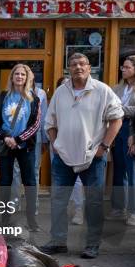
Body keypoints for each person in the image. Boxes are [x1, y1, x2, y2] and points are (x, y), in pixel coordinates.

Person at [41, 53, 123, 259]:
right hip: (63, 157)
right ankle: (58, 242)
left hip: (93, 157)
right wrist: (55, 144)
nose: (78, 67)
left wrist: (104, 146)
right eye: (73, 64)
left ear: (89, 67)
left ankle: (92, 245)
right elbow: (49, 123)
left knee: (94, 202)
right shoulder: (61, 92)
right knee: (58, 201)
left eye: (82, 64)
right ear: (68, 68)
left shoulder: (102, 90)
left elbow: (117, 119)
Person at [0, 64, 41, 230]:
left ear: (27, 78)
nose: (19, 77)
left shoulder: (34, 98)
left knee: (30, 182)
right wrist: (6, 138)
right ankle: (4, 220)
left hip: (25, 147)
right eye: (17, 74)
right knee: (5, 181)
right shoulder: (4, 96)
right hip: (6, 146)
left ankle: (32, 220)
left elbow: (35, 125)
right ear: (12, 77)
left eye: (23, 75)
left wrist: (18, 139)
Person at [109, 55, 135, 226]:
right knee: (119, 170)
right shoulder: (117, 88)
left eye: (127, 67)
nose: (123, 70)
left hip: (133, 132)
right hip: (117, 130)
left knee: (133, 172)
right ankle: (118, 208)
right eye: (123, 67)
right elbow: (110, 107)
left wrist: (119, 109)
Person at [10, 80, 48, 218]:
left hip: (34, 138)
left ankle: (33, 206)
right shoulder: (13, 93)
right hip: (15, 137)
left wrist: (44, 139)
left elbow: (43, 118)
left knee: (34, 172)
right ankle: (14, 204)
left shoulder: (40, 94)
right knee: (15, 171)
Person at [51, 77, 84, 225]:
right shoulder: (57, 101)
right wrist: (53, 142)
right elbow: (50, 122)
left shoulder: (81, 102)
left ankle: (78, 210)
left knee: (77, 180)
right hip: (59, 146)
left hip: (78, 146)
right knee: (60, 181)